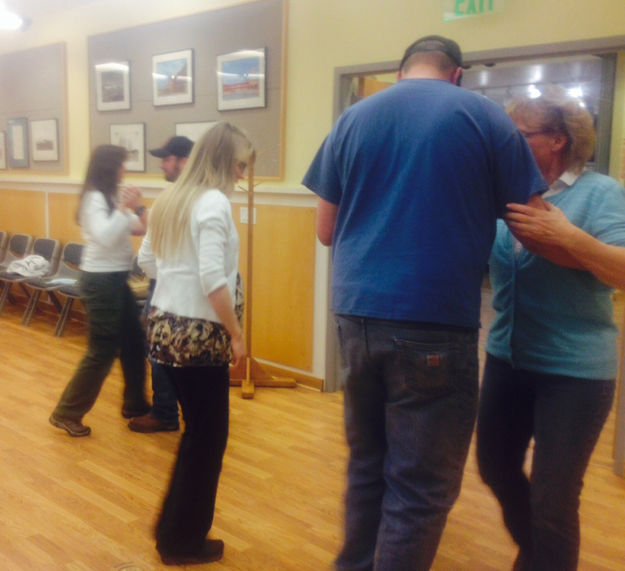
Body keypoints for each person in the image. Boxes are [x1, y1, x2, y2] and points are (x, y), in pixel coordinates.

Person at [302, 35, 547, 570]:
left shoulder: (353, 118)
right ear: (456, 73)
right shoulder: (484, 117)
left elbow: (325, 230)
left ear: (401, 72)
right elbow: (534, 226)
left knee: (368, 465)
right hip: (433, 321)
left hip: (354, 316)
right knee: (420, 489)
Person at [476, 91, 625, 571]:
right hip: (507, 359)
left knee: (554, 497)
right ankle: (540, 555)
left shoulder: (602, 193)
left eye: (520, 135)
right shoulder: (507, 193)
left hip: (576, 371)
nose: (508, 145)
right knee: (495, 466)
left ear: (557, 139)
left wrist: (570, 237)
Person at [138, 122, 253, 565]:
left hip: (164, 328)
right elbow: (213, 279)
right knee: (206, 440)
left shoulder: (171, 198)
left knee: (196, 437)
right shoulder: (213, 202)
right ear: (225, 160)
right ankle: (182, 542)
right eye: (240, 164)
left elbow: (147, 260)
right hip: (200, 337)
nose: (242, 174)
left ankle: (172, 532)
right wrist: (237, 333)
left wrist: (174, 283)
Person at [50, 145, 150, 437]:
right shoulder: (94, 198)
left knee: (134, 342)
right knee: (102, 349)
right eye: (121, 164)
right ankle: (66, 412)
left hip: (116, 280)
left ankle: (136, 405)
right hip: (100, 281)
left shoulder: (109, 197)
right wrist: (123, 207)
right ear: (109, 167)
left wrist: (138, 205)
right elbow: (106, 237)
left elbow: (140, 228)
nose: (125, 170)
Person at [128, 135, 194, 433]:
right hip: (171, 285)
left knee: (159, 350)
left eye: (167, 159)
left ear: (183, 161)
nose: (162, 164)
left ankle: (166, 413)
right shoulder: (190, 195)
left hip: (167, 286)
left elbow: (153, 251)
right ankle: (171, 409)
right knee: (161, 349)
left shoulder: (182, 197)